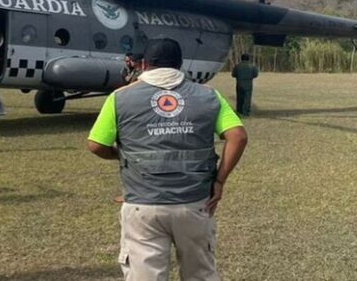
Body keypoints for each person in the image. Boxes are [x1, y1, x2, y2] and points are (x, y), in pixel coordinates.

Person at [87, 38, 248, 280]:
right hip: (194, 203)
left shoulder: (120, 98)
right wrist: (220, 181)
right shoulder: (208, 96)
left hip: (143, 204)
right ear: (180, 64)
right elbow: (238, 136)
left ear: (144, 64)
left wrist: (122, 155)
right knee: (201, 274)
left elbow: (95, 145)